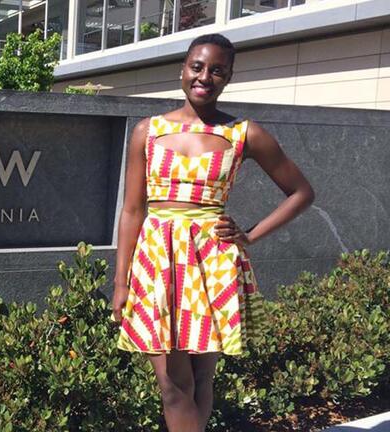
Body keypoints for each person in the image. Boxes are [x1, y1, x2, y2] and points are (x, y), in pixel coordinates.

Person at [110, 33, 314, 432]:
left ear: (229, 77)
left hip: (213, 263)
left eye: (217, 70)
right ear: (182, 70)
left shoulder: (243, 133)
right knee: (173, 384)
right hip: (157, 264)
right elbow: (132, 209)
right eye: (197, 67)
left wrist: (249, 236)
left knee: (202, 379)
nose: (205, 76)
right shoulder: (147, 132)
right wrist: (121, 281)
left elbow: (301, 193)